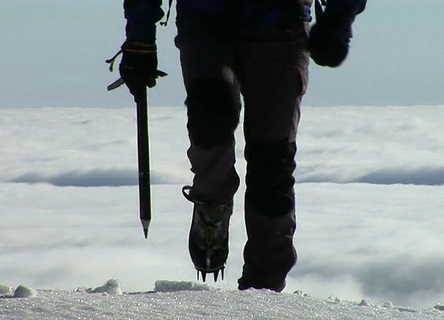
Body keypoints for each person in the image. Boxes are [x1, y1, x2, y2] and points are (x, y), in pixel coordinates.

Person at [112, 0, 366, 291]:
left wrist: (339, 18)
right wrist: (139, 37)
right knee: (212, 122)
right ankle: (212, 205)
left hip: (279, 23)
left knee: (272, 164)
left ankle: (264, 289)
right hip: (208, 20)